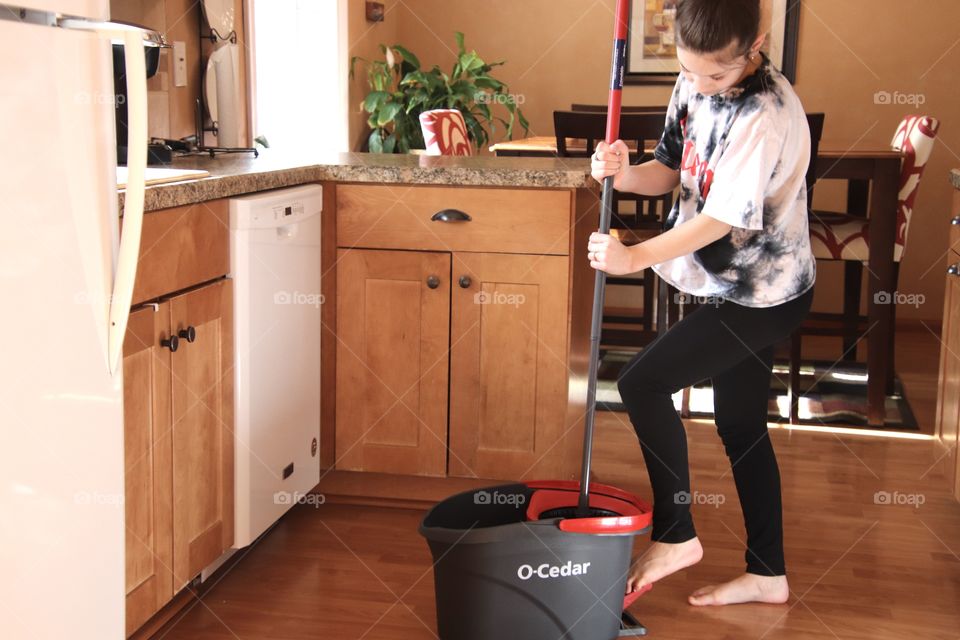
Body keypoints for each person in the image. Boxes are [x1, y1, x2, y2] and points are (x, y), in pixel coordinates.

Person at [588, 0, 815, 607]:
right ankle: (768, 574)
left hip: (761, 293)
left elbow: (718, 219)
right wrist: (621, 171)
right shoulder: (693, 81)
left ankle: (676, 534)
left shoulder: (765, 113)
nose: (699, 83)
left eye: (715, 74)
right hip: (733, 287)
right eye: (689, 71)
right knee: (741, 426)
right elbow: (671, 169)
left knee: (639, 384)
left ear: (755, 44)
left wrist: (633, 257)